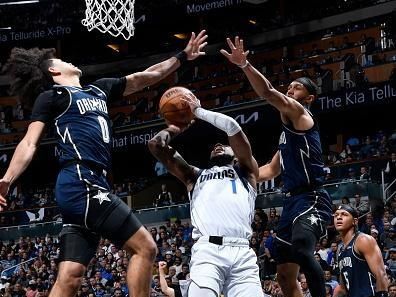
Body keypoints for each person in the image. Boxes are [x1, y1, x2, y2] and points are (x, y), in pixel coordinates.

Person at [0, 30, 208, 297]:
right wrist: (8, 178)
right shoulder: (54, 97)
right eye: (61, 60)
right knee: (146, 248)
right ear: (53, 71)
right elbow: (29, 142)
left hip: (90, 185)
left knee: (70, 277)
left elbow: (145, 77)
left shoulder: (100, 89)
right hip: (81, 180)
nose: (70, 62)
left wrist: (182, 57)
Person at [221, 36, 332, 297]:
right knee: (283, 275)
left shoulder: (302, 115)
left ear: (309, 98)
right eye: (290, 86)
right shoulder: (286, 136)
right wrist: (235, 178)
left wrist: (245, 65)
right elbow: (269, 171)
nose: (291, 90)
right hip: (291, 203)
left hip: (312, 197)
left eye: (297, 88)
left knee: (303, 248)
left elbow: (268, 92)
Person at [148, 94, 264, 297]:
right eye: (214, 147)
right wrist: (176, 128)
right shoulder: (194, 175)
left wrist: (198, 111)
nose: (218, 146)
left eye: (224, 146)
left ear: (236, 155)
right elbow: (156, 145)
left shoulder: (247, 172)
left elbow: (233, 127)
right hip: (208, 250)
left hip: (243, 252)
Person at [333, 205, 389, 297]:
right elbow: (343, 288)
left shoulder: (363, 240)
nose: (339, 217)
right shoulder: (340, 250)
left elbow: (381, 275)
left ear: (355, 221)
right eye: (336, 215)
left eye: (344, 214)